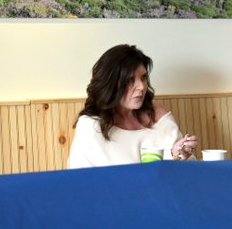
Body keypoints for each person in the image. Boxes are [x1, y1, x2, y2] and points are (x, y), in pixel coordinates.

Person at [67, 44, 197, 167]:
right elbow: (79, 180)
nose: (141, 87)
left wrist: (178, 155)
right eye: (129, 80)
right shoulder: (91, 126)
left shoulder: (159, 115)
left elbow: (187, 167)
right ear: (110, 84)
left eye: (143, 77)